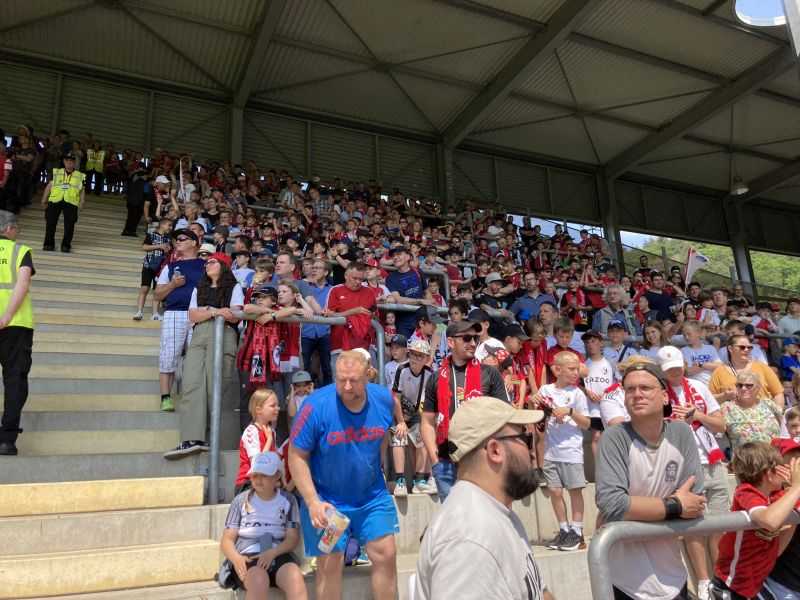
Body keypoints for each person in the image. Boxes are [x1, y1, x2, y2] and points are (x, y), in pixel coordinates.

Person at [414, 396, 551, 600]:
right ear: (495, 450)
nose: (532, 451)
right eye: (525, 439)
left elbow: (539, 592)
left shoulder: (495, 511)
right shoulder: (469, 539)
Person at [289, 350, 399, 600]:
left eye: (354, 380)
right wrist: (312, 501)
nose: (347, 386)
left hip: (371, 497)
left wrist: (380, 468)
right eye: (341, 380)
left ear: (368, 376)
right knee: (330, 562)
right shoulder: (315, 406)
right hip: (328, 501)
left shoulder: (383, 399)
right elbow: (296, 456)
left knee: (386, 553)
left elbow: (383, 432)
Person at [595, 361, 706, 600]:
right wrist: (676, 506)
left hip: (673, 576)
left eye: (645, 387)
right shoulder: (614, 437)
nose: (636, 394)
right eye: (630, 389)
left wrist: (636, 508)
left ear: (665, 396)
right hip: (624, 581)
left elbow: (696, 499)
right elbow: (612, 505)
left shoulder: (681, 432)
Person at [657, 346, 728, 600]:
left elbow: (721, 424)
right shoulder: (658, 392)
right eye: (669, 369)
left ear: (684, 364)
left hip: (711, 460)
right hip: (682, 465)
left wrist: (696, 414)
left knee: (720, 525)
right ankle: (703, 582)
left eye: (677, 366)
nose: (675, 372)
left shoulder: (699, 387)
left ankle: (720, 579)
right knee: (693, 527)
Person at [164, 252, 243, 459]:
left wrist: (207, 311)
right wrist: (216, 311)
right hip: (200, 334)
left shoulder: (234, 287)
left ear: (224, 265)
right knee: (191, 384)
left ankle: (213, 439)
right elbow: (192, 315)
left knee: (215, 387)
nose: (207, 264)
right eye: (206, 262)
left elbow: (234, 316)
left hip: (224, 334)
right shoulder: (200, 288)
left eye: (212, 261)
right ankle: (191, 438)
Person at [420, 319, 510, 501]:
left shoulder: (490, 373)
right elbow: (427, 422)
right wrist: (434, 460)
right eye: (467, 338)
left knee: (483, 517)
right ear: (451, 342)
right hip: (445, 462)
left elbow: (505, 415)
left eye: (475, 339)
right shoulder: (436, 378)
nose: (473, 343)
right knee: (455, 521)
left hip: (481, 459)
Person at [712, 441, 800, 600]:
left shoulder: (775, 497)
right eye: (782, 468)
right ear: (769, 473)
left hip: (753, 584)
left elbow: (776, 549)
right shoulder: (746, 492)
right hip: (731, 586)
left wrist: (792, 491)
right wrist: (796, 487)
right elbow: (770, 520)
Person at [219, 452, 307, 600]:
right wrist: (236, 559)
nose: (258, 480)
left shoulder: (288, 500)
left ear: (277, 476)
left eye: (264, 475)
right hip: (247, 556)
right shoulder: (240, 501)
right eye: (255, 475)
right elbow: (227, 540)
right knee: (259, 580)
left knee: (295, 577)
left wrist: (272, 553)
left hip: (277, 553)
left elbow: (292, 538)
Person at [536, 352, 591, 551]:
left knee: (575, 491)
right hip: (551, 451)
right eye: (571, 369)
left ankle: (577, 532)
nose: (576, 373)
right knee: (555, 492)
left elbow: (586, 424)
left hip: (571, 451)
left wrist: (569, 412)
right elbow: (538, 415)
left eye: (577, 369)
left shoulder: (577, 394)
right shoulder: (545, 389)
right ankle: (564, 529)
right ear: (557, 370)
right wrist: (535, 405)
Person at [154, 229, 204, 412]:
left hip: (198, 315)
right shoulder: (170, 266)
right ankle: (166, 397)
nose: (178, 242)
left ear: (194, 242)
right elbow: (157, 295)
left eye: (182, 239)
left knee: (196, 358)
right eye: (176, 240)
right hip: (174, 312)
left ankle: (192, 396)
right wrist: (173, 285)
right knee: (169, 354)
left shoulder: (206, 265)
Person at [0, 210, 34, 456]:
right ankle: (7, 440)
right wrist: (7, 316)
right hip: (16, 325)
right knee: (15, 381)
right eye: (16, 227)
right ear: (8, 229)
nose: (17, 230)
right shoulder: (20, 251)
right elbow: (22, 284)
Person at [390, 338, 435, 497]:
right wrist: (401, 421)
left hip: (416, 412)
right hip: (399, 411)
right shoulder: (401, 369)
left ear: (426, 359)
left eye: (420, 356)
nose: (416, 359)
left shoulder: (429, 374)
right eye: (414, 355)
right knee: (399, 437)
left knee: (423, 438)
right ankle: (400, 480)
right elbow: (395, 397)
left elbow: (428, 400)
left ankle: (419, 480)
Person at [763, 438, 800, 598]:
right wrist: (794, 494)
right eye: (788, 465)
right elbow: (775, 552)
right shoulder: (764, 499)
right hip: (784, 586)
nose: (795, 470)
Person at [709, 334, 784, 408]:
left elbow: (778, 393)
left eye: (749, 347)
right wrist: (724, 396)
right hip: (733, 418)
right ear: (730, 349)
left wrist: (778, 414)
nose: (746, 350)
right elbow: (710, 400)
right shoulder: (719, 371)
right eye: (742, 347)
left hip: (762, 417)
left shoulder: (762, 367)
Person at [721, 371, 785, 451]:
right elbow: (719, 433)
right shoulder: (727, 408)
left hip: (774, 456)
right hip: (745, 460)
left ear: (758, 388)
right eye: (739, 385)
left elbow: (784, 425)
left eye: (749, 386)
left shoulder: (768, 404)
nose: (743, 388)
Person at [234, 389, 279, 494]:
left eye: (277, 405)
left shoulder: (271, 431)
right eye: (273, 406)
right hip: (247, 484)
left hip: (266, 482)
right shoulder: (251, 431)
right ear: (258, 410)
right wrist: (269, 441)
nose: (277, 409)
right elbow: (257, 465)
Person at [40, 152, 85, 252]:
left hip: (71, 201)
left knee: (70, 225)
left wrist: (82, 201)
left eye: (71, 161)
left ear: (74, 163)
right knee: (50, 223)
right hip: (55, 200)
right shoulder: (56, 172)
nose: (69, 163)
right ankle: (48, 244)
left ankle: (66, 245)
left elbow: (82, 190)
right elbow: (49, 186)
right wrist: (44, 199)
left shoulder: (80, 176)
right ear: (64, 161)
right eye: (67, 160)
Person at [134, 216, 172, 321]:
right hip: (148, 265)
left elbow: (169, 252)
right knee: (144, 288)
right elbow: (144, 247)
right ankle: (139, 312)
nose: (170, 227)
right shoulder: (151, 235)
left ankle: (155, 313)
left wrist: (167, 250)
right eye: (169, 225)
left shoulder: (168, 238)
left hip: (160, 268)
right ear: (162, 225)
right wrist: (159, 246)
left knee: (157, 291)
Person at [680, 321, 722, 387]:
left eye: (689, 334)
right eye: (684, 335)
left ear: (698, 333)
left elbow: (719, 366)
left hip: (712, 384)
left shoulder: (710, 348)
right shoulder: (683, 351)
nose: (686, 337)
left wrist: (701, 364)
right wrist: (709, 365)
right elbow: (688, 372)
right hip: (694, 386)